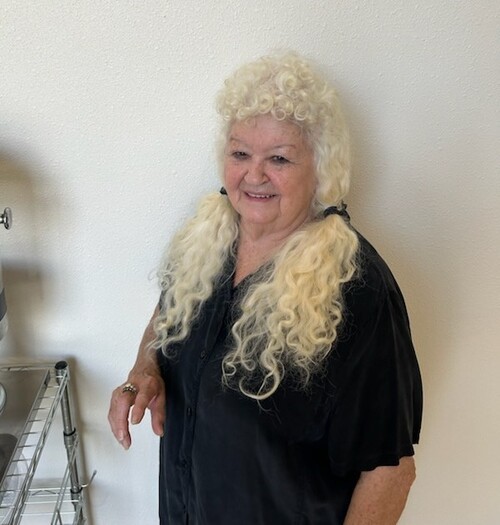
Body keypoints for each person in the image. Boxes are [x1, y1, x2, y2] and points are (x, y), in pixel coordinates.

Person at [108, 51, 422, 525]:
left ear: (321, 168)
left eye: (279, 158)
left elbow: (390, 471)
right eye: (240, 154)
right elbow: (169, 311)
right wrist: (145, 367)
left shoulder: (358, 289)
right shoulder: (205, 239)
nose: (254, 175)